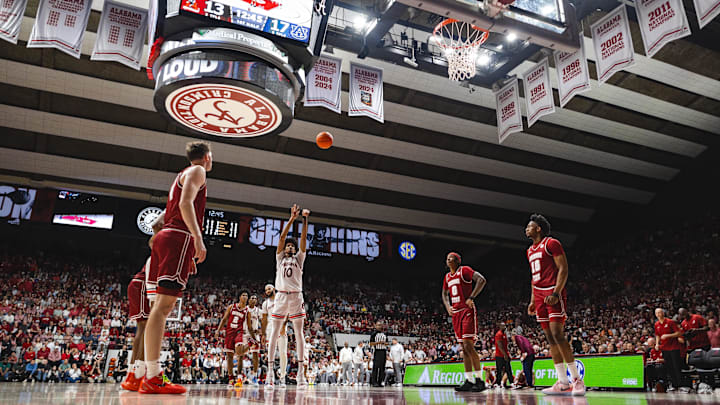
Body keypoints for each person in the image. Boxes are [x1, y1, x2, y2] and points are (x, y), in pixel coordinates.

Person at [142, 141, 211, 394]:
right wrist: (197, 238)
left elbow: (158, 222)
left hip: (167, 237)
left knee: (158, 307)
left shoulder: (180, 175)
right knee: (162, 308)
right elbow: (185, 204)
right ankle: (153, 376)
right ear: (206, 157)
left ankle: (147, 373)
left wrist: (166, 245)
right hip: (179, 236)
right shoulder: (198, 171)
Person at [525, 214, 584, 395]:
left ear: (538, 229)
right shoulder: (529, 250)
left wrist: (556, 292)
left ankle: (577, 380)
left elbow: (563, 268)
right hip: (540, 294)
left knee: (558, 334)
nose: (526, 229)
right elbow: (534, 277)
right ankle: (563, 382)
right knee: (550, 338)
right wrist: (533, 300)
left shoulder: (551, 243)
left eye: (529, 226)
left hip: (553, 291)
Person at [265, 204, 310, 390]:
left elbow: (303, 239)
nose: (290, 247)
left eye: (292, 246)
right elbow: (282, 238)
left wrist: (305, 220)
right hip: (281, 297)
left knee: (299, 333)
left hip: (296, 297)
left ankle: (300, 373)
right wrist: (292, 219)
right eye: (288, 246)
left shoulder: (299, 258)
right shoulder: (279, 258)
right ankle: (269, 373)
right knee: (273, 333)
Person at [122, 222, 163, 391]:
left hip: (140, 285)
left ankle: (134, 373)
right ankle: (137, 374)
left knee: (143, 329)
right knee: (146, 329)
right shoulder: (158, 252)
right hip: (142, 285)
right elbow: (154, 237)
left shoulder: (160, 251)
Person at [441, 252, 487, 392]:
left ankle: (480, 380)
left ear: (457, 261)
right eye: (447, 258)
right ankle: (469, 380)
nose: (448, 260)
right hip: (456, 313)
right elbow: (444, 293)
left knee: (468, 345)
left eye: (451, 258)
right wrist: (447, 306)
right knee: (464, 349)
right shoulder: (447, 277)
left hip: (467, 310)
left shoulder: (464, 270)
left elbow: (481, 280)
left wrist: (472, 297)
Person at [216, 291, 254, 387]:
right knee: (229, 357)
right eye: (243, 295)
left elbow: (249, 326)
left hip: (239, 332)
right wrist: (218, 330)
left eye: (247, 296)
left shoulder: (247, 311)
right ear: (239, 297)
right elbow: (224, 319)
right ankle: (231, 379)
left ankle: (250, 344)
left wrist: (252, 336)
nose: (245, 297)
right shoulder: (231, 307)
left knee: (239, 352)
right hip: (229, 333)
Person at [261, 284, 289, 386]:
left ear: (273, 289)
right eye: (266, 290)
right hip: (270, 329)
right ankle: (270, 377)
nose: (267, 291)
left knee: (283, 352)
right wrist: (263, 334)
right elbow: (264, 319)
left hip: (281, 327)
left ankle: (282, 377)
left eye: (269, 289)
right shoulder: (265, 303)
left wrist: (283, 326)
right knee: (270, 353)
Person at [655, 307, 683, 391]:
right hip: (664, 348)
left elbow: (679, 333)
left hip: (674, 347)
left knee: (676, 367)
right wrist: (657, 344)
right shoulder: (656, 324)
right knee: (669, 367)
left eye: (660, 312)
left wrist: (668, 335)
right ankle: (674, 385)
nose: (659, 314)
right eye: (657, 313)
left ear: (663, 313)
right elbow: (657, 335)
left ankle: (681, 385)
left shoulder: (670, 322)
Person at [244, 294, 262, 385]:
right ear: (249, 300)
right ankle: (240, 377)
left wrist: (261, 330)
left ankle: (255, 377)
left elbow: (267, 320)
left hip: (254, 335)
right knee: (241, 355)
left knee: (255, 355)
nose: (254, 299)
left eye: (256, 298)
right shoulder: (244, 309)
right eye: (252, 298)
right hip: (245, 334)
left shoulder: (258, 310)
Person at [369, 321, 388, 387]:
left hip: (383, 351)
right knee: (376, 367)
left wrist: (384, 343)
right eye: (378, 325)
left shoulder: (385, 334)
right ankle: (374, 382)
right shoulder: (373, 334)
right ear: (375, 326)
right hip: (377, 351)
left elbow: (387, 343)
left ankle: (380, 381)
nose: (379, 326)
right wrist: (378, 343)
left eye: (380, 325)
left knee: (382, 367)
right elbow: (371, 343)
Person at [494, 322, 513, 389]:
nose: (505, 327)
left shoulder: (504, 334)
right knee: (499, 370)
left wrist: (508, 354)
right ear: (500, 327)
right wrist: (505, 355)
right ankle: (498, 383)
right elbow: (500, 346)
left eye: (505, 326)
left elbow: (505, 346)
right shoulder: (498, 334)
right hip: (499, 355)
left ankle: (512, 383)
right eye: (503, 326)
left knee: (508, 369)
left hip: (505, 354)